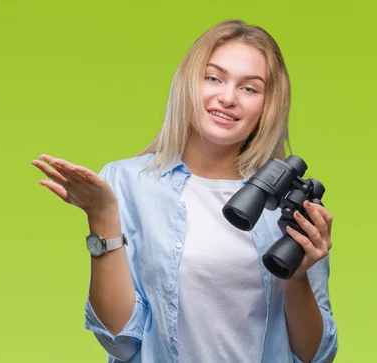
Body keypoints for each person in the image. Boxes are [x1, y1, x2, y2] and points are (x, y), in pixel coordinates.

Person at [31, 19, 338, 363]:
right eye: (213, 78)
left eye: (250, 88)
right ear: (188, 83)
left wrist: (296, 277)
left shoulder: (284, 203)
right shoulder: (127, 182)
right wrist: (101, 216)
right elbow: (119, 342)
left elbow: (316, 356)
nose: (227, 98)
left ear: (267, 106)